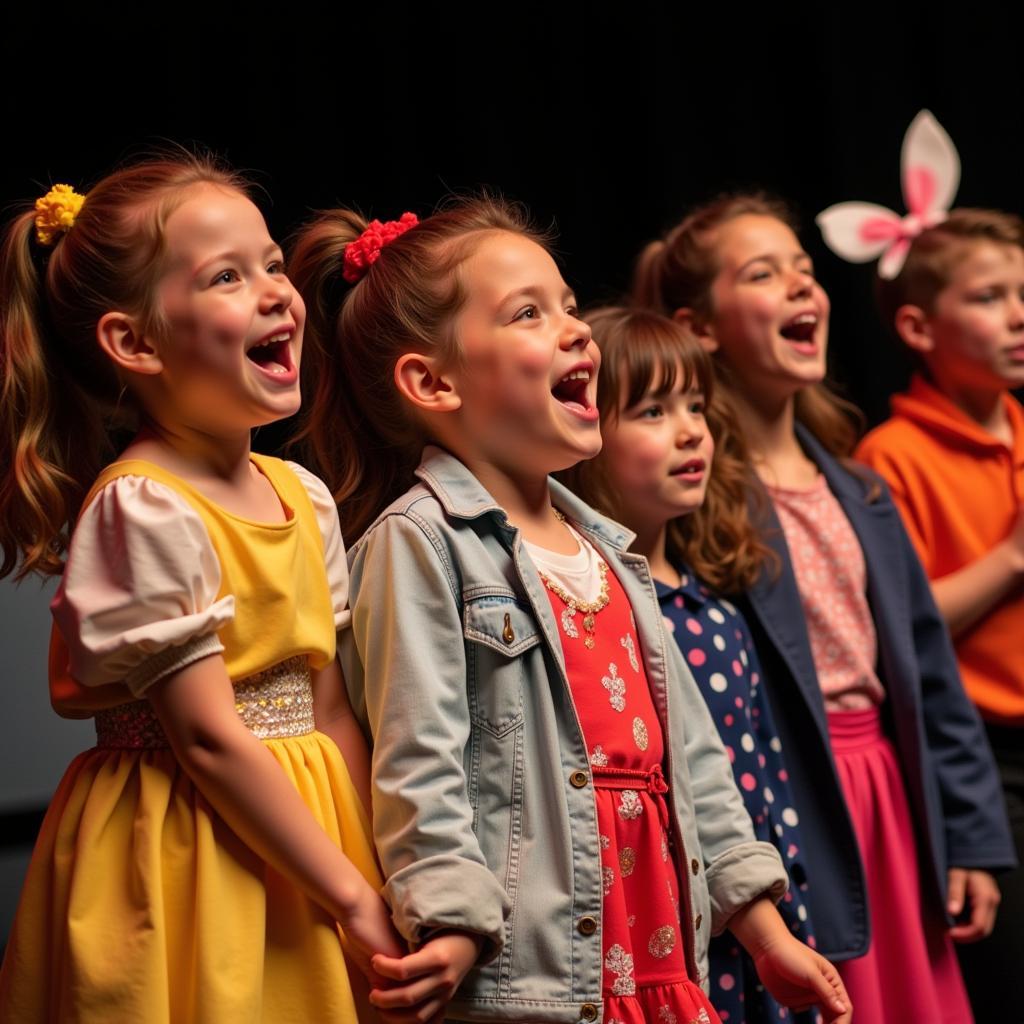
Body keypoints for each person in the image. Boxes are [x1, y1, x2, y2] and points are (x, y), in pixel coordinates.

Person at [288, 197, 852, 1023]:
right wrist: (448, 919)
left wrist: (765, 931)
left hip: (660, 949)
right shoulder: (421, 544)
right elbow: (420, 760)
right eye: (528, 313)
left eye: (567, 306)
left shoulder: (610, 551)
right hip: (543, 974)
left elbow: (691, 758)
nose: (576, 329)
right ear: (432, 381)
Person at [0, 158, 405, 1023]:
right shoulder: (142, 505)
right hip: (189, 842)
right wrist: (351, 896)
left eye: (269, 264)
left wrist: (378, 870)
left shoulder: (304, 494)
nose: (275, 292)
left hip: (308, 833)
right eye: (227, 276)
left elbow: (330, 708)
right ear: (135, 343)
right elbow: (210, 741)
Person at [632, 193, 1015, 1024]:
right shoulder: (699, 497)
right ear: (701, 326)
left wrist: (971, 835)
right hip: (796, 793)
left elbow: (928, 671)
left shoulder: (858, 486)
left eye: (806, 269)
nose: (803, 289)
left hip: (890, 793)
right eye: (765, 275)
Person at [559, 306, 818, 1024]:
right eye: (651, 411)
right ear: (585, 436)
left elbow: (757, 772)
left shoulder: (716, 611)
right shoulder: (606, 614)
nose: (690, 429)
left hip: (758, 908)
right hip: (680, 928)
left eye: (695, 406)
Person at [838, 191, 1024, 1024]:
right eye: (990, 298)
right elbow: (899, 634)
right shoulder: (891, 458)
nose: (1019, 316)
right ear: (918, 329)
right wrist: (1014, 557)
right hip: (987, 760)